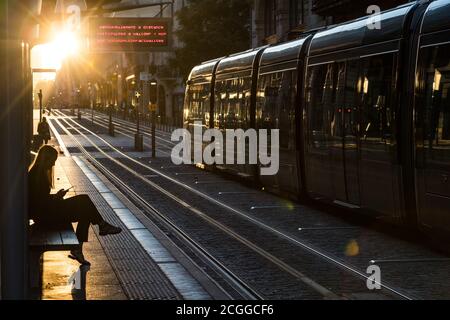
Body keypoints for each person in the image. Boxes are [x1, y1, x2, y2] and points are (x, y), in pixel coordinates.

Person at [28, 145, 122, 265]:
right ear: (45, 159)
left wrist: (56, 197)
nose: (53, 165)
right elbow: (40, 204)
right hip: (46, 217)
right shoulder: (37, 176)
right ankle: (100, 227)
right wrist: (56, 198)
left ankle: (93, 234)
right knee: (84, 202)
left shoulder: (36, 173)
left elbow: (41, 200)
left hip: (46, 213)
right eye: (52, 161)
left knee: (85, 208)